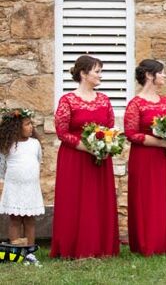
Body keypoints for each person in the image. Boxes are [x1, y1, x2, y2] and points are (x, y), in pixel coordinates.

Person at [51, 54, 119, 258]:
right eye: (97, 71)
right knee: (74, 200)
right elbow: (61, 132)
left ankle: (100, 246)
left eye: (100, 71)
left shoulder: (104, 100)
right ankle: (72, 247)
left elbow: (110, 127)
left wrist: (107, 145)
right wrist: (85, 146)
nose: (100, 75)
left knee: (97, 200)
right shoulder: (68, 100)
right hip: (74, 157)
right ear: (83, 73)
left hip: (99, 159)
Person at [124, 59, 166, 256]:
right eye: (161, 72)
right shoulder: (135, 104)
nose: (164, 76)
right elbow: (131, 133)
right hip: (145, 158)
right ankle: (148, 243)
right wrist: (158, 142)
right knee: (148, 198)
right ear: (150, 75)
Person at [0, 108, 44, 245]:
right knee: (15, 219)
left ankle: (29, 250)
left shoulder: (35, 144)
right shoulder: (7, 146)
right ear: (16, 127)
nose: (31, 127)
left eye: (31, 124)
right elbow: (2, 167)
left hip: (30, 188)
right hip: (14, 187)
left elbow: (38, 161)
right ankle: (16, 249)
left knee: (30, 220)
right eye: (27, 124)